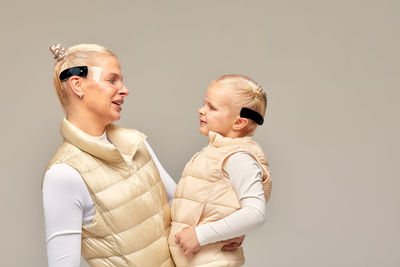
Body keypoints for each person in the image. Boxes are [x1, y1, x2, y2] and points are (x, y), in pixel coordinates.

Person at [42, 44, 242, 267]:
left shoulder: (135, 143)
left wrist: (225, 229)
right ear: (78, 85)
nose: (125, 89)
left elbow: (182, 209)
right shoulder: (63, 174)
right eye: (112, 80)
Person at [169, 75, 272, 267]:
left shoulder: (238, 158)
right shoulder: (216, 152)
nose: (201, 110)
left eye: (212, 107)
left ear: (239, 122)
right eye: (204, 104)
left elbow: (255, 213)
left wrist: (200, 235)